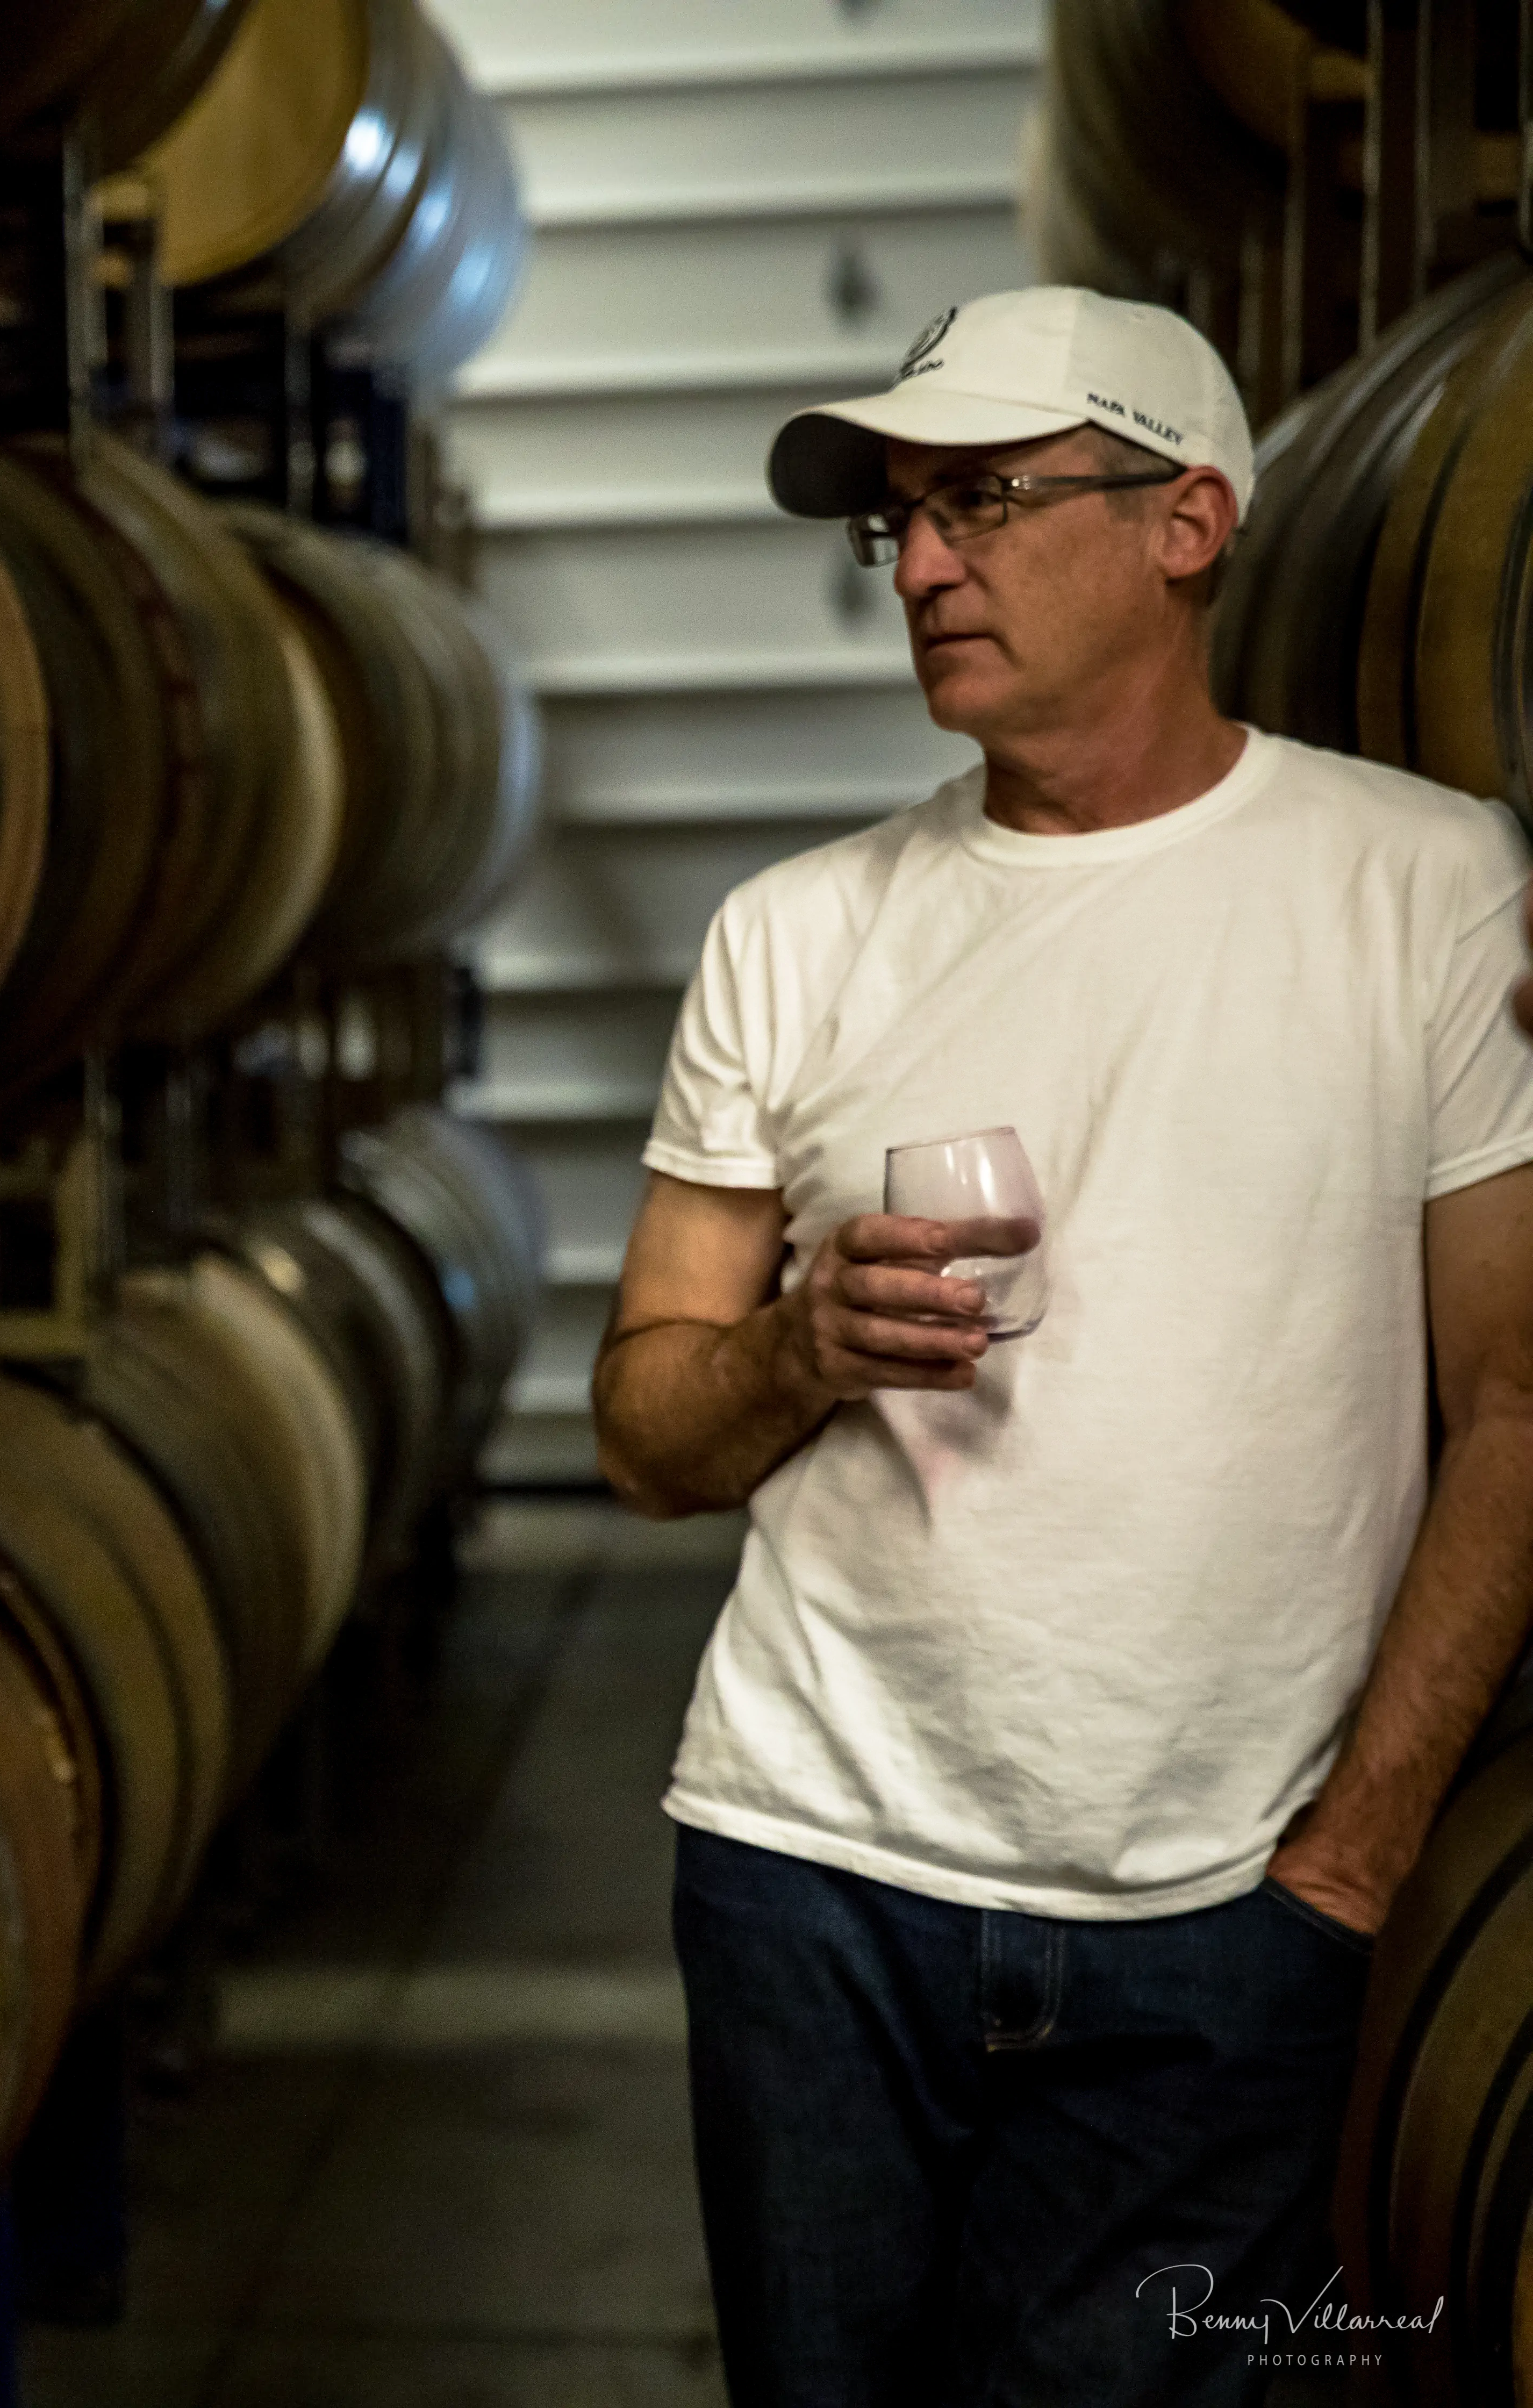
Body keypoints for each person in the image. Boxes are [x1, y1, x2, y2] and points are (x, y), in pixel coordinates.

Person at [593, 284, 1533, 2405]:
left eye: (990, 501)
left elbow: (1517, 1403)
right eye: (901, 525)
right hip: (812, 1875)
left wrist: (1353, 1862)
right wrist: (795, 1351)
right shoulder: (796, 934)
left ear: (1190, 518)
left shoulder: (1428, 891)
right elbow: (648, 1431)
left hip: (1223, 1901)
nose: (926, 565)